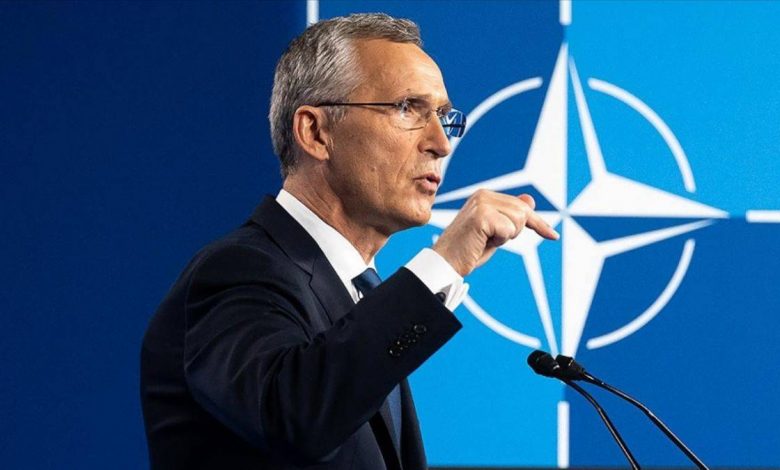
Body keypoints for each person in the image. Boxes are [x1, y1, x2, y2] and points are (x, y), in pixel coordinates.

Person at [140, 13, 558, 470]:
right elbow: (296, 416)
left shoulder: (356, 294)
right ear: (316, 133)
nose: (441, 143)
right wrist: (443, 264)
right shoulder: (241, 270)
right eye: (407, 108)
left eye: (443, 117)